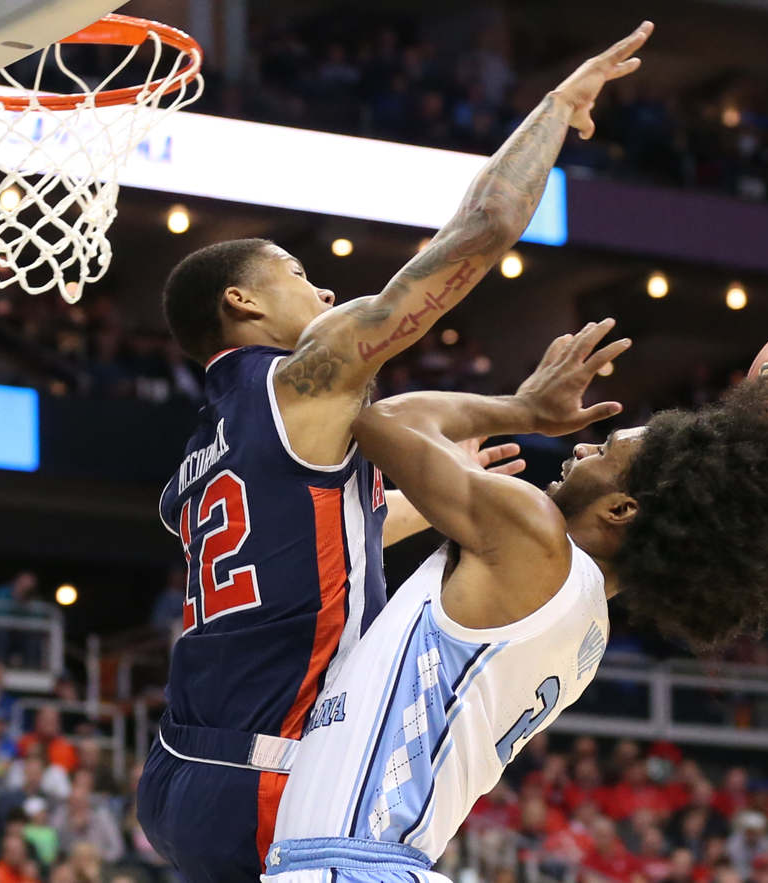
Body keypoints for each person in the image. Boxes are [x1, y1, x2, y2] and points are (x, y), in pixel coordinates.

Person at [138, 23, 656, 883]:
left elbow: (305, 546)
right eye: (295, 273)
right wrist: (554, 110)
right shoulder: (301, 380)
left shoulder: (201, 458)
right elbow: (482, 227)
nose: (322, 288)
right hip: (271, 775)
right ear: (242, 302)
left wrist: (495, 432)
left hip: (181, 763)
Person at [263, 318, 768, 883]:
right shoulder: (586, 624)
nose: (580, 449)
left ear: (621, 509)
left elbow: (383, 421)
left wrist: (523, 409)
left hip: (350, 864)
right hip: (370, 860)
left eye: (605, 451)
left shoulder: (535, 539)